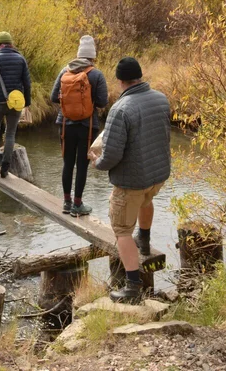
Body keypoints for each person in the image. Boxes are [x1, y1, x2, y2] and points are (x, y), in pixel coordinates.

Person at [90, 57, 171, 304]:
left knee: (122, 229)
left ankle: (132, 286)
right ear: (140, 76)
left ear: (119, 80)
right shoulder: (160, 99)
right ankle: (144, 241)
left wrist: (97, 163)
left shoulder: (120, 109)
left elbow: (112, 154)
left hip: (131, 181)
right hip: (156, 176)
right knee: (146, 201)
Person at [50, 35, 108, 217]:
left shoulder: (64, 71)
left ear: (78, 54)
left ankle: (66, 203)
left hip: (65, 124)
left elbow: (53, 98)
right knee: (82, 165)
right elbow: (102, 102)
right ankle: (78, 204)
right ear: (93, 56)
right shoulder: (96, 74)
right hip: (87, 126)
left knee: (68, 163)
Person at [0, 32, 31, 178]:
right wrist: (27, 103)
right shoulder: (21, 59)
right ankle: (5, 167)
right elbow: (27, 84)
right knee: (10, 134)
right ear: (11, 44)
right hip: (15, 104)